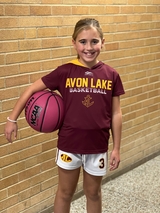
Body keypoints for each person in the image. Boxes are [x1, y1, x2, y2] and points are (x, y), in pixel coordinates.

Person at [4, 18, 125, 213]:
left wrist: (117, 148)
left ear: (103, 42)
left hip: (98, 145)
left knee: (93, 193)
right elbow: (31, 89)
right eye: (83, 42)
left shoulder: (111, 75)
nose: (88, 47)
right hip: (69, 143)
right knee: (65, 192)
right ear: (74, 43)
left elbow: (116, 113)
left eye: (94, 41)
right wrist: (12, 119)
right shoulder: (64, 72)